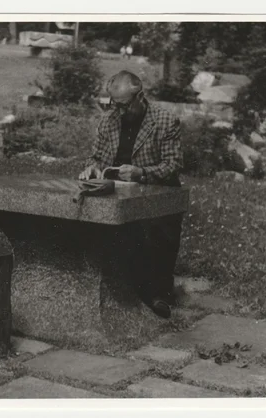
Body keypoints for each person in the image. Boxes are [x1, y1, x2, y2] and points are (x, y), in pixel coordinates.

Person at [79, 70, 184, 319]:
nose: (120, 112)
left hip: (158, 191)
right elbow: (96, 157)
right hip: (119, 192)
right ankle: (110, 288)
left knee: (155, 231)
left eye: (125, 106)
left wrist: (141, 173)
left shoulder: (165, 121)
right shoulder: (108, 121)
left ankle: (158, 294)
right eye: (114, 105)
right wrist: (92, 166)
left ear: (140, 97)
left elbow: (173, 165)